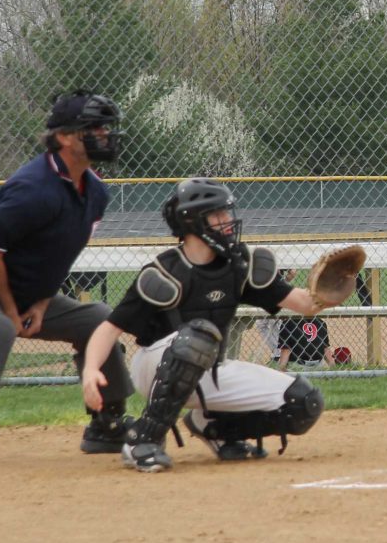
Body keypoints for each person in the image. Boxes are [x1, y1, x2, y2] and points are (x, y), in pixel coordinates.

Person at [0, 90, 135, 471]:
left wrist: (43, 301)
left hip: (25, 289)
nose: (104, 135)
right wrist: (14, 311)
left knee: (98, 319)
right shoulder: (32, 187)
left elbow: (60, 254)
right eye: (92, 128)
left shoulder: (95, 192)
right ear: (64, 137)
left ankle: (107, 423)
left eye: (105, 128)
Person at [80, 178, 331, 471]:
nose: (228, 221)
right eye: (217, 215)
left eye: (227, 213)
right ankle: (142, 439)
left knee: (304, 403)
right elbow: (109, 328)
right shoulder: (165, 272)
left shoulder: (237, 264)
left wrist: (328, 291)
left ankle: (216, 429)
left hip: (210, 368)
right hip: (155, 367)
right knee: (197, 337)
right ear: (192, 221)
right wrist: (90, 371)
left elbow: (304, 304)